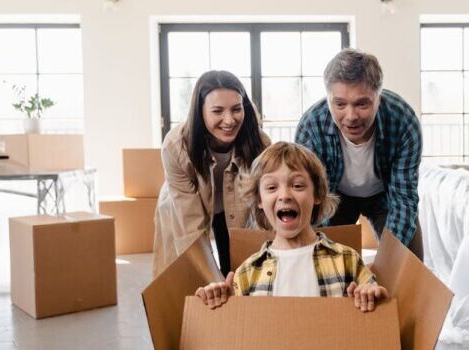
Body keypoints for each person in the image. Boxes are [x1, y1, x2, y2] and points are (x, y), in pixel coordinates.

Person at [195, 142, 387, 312]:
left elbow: (375, 299)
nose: (284, 195)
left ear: (317, 195)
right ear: (260, 200)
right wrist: (221, 299)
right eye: (271, 187)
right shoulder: (247, 273)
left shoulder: (347, 260)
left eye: (297, 185)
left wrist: (370, 293)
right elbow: (237, 331)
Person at [294, 48, 424, 258]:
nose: (351, 116)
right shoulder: (311, 127)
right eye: (340, 104)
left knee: (408, 263)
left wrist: (389, 260)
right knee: (326, 264)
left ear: (378, 97)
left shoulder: (403, 121)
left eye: (362, 103)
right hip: (334, 198)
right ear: (328, 99)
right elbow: (312, 197)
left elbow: (403, 198)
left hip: (386, 196)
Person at [153, 70, 269, 277]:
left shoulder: (259, 143)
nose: (229, 120)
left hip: (234, 205)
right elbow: (191, 230)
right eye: (217, 111)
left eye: (236, 109)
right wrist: (212, 281)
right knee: (189, 274)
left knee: (236, 268)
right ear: (200, 111)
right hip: (184, 206)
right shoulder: (175, 146)